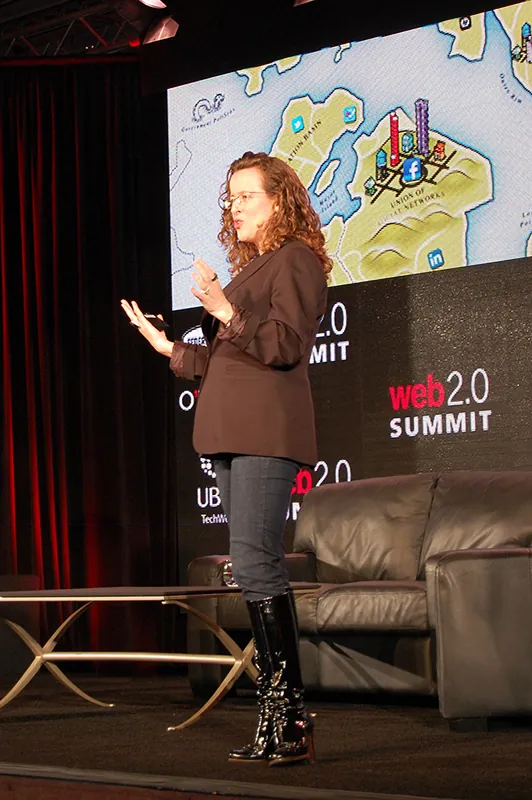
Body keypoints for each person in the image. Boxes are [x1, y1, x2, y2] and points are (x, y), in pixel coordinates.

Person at [121, 151, 331, 765]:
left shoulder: (295, 260)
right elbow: (228, 361)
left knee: (256, 562)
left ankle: (287, 715)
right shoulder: (255, 268)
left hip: (267, 431)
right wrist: (169, 348)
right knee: (251, 565)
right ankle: (282, 714)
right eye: (230, 197)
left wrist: (223, 310)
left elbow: (284, 347)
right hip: (233, 431)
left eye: (247, 196)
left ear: (279, 201)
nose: (234, 207)